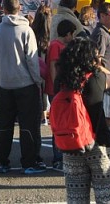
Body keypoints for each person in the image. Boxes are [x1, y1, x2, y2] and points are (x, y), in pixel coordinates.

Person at [55, 37, 110, 204]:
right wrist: (97, 64)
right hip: (99, 144)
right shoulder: (96, 77)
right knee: (107, 196)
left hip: (71, 146)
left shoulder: (61, 82)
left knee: (76, 198)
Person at [0, 0, 46, 174]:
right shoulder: (26, 30)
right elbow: (31, 59)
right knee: (28, 124)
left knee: (4, 125)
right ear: (19, 7)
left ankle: (2, 162)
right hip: (25, 83)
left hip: (5, 83)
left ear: (3, 9)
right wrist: (38, 80)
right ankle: (29, 162)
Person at [46, 19, 78, 169]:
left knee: (65, 122)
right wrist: (56, 85)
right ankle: (57, 157)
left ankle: (64, 154)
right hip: (57, 89)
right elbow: (52, 66)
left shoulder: (62, 45)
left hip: (63, 87)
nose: (72, 37)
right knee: (58, 123)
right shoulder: (55, 46)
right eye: (72, 34)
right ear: (67, 34)